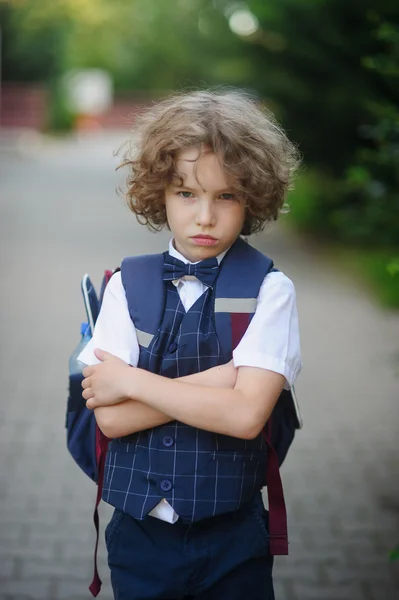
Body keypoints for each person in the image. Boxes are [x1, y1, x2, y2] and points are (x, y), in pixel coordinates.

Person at [78, 89, 302, 600]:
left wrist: (132, 381)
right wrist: (228, 380)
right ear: (159, 193)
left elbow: (246, 417)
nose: (204, 216)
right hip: (139, 535)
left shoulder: (269, 289)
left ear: (253, 197)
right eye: (186, 193)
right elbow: (110, 419)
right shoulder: (125, 284)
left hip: (235, 535)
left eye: (226, 196)